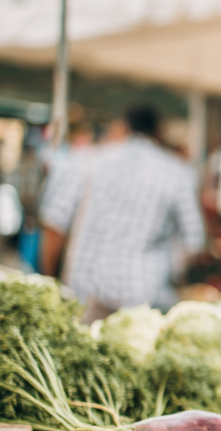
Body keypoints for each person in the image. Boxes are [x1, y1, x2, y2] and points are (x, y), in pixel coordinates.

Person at [40, 103, 205, 318]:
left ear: (122, 126)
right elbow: (194, 241)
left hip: (84, 293)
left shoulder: (88, 162)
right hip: (143, 302)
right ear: (158, 132)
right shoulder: (178, 173)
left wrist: (50, 280)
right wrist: (169, 267)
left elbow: (54, 223)